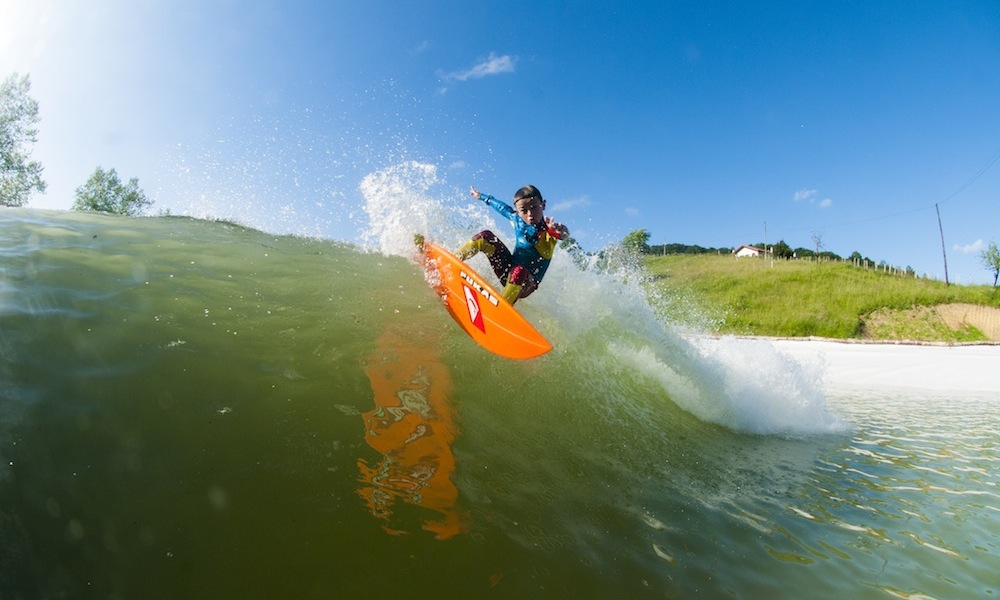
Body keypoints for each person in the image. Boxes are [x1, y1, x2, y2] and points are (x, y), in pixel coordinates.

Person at [457, 184, 569, 304]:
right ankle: (451, 261)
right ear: (517, 210)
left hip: (526, 284)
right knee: (485, 237)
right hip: (507, 271)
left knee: (519, 271)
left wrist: (560, 231)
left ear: (543, 205)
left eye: (534, 207)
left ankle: (501, 310)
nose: (530, 214)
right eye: (524, 210)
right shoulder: (516, 219)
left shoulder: (549, 232)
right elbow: (501, 207)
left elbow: (563, 234)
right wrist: (480, 196)